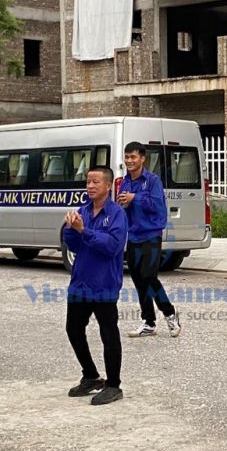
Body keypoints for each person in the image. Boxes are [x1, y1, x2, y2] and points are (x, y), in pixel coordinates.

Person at [63, 165, 128, 405]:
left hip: (104, 284)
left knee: (108, 334)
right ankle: (90, 375)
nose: (90, 186)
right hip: (80, 283)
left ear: (108, 186)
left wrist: (84, 231)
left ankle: (113, 385)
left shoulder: (117, 214)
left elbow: (112, 246)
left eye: (95, 182)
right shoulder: (84, 211)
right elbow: (73, 245)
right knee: (73, 329)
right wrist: (70, 228)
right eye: (88, 182)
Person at [117, 142, 181, 339]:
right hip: (133, 235)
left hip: (151, 235)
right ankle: (149, 322)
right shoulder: (125, 182)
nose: (129, 161)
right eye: (127, 157)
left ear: (143, 158)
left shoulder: (153, 181)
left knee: (148, 276)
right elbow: (121, 207)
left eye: (133, 157)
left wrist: (134, 198)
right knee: (138, 280)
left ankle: (170, 313)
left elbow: (158, 208)